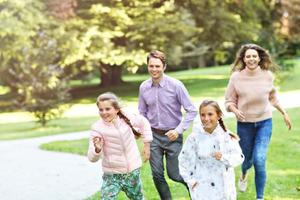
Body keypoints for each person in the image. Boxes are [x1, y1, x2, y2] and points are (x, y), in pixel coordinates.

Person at [225, 43, 292, 200]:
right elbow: (228, 101)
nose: (251, 59)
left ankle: (259, 197)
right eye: (248, 56)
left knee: (259, 159)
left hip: (264, 123)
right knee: (246, 159)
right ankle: (243, 173)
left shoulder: (267, 75)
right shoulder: (236, 77)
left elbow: (273, 97)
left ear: (259, 57)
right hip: (244, 125)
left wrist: (284, 113)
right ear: (243, 58)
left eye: (254, 56)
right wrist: (234, 110)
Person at [138, 50, 197, 200]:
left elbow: (191, 110)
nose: (154, 69)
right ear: (147, 66)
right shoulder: (144, 87)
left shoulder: (176, 86)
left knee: (175, 174)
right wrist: (145, 137)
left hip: (173, 136)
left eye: (157, 66)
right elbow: (142, 114)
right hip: (153, 136)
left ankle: (197, 190)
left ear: (164, 66)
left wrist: (178, 131)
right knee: (157, 175)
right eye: (151, 66)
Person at [87, 92, 153, 200]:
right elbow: (91, 158)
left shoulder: (127, 117)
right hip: (112, 175)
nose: (104, 112)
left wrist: (147, 144)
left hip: (132, 172)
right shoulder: (97, 128)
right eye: (101, 110)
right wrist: (97, 149)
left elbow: (144, 122)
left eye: (107, 109)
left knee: (138, 198)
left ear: (116, 109)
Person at [178, 100, 244, 200]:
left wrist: (223, 157)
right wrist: (190, 181)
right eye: (203, 115)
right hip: (202, 189)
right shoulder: (194, 138)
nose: (206, 118)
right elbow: (184, 159)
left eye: (210, 114)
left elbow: (239, 157)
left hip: (224, 188)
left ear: (218, 115)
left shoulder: (226, 137)